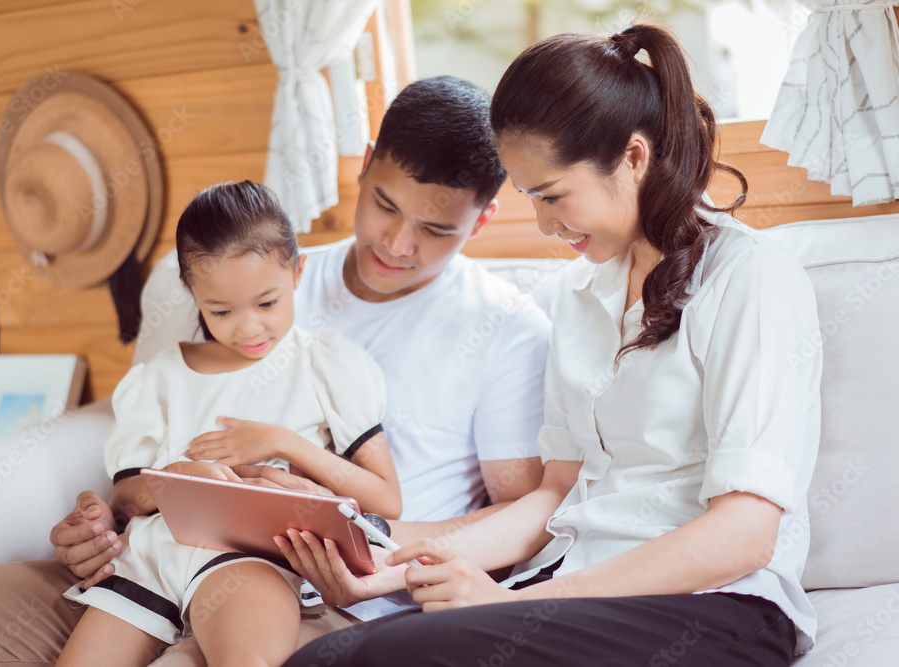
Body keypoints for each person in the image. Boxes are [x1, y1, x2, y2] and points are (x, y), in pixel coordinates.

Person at [0, 75, 551, 667]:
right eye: (385, 205)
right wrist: (100, 525)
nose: (398, 243)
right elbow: (163, 434)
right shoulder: (255, 270)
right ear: (367, 163)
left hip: (335, 598)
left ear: (484, 218)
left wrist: (372, 553)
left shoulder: (505, 328)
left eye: (436, 229)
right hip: (154, 563)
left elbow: (518, 519)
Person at [281, 23, 822, 667]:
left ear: (633, 158)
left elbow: (745, 533)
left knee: (381, 658)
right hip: (570, 588)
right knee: (323, 656)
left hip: (715, 604)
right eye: (529, 198)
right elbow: (554, 495)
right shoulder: (578, 294)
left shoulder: (750, 276)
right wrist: (388, 571)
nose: (542, 224)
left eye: (552, 195)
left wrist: (514, 608)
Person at [55, 180, 402, 667]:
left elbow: (387, 498)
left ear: (297, 273)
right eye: (221, 310)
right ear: (192, 292)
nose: (249, 328)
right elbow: (127, 496)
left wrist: (283, 443)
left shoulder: (325, 366)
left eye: (267, 303)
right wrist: (175, 480)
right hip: (151, 559)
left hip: (250, 559)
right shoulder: (156, 379)